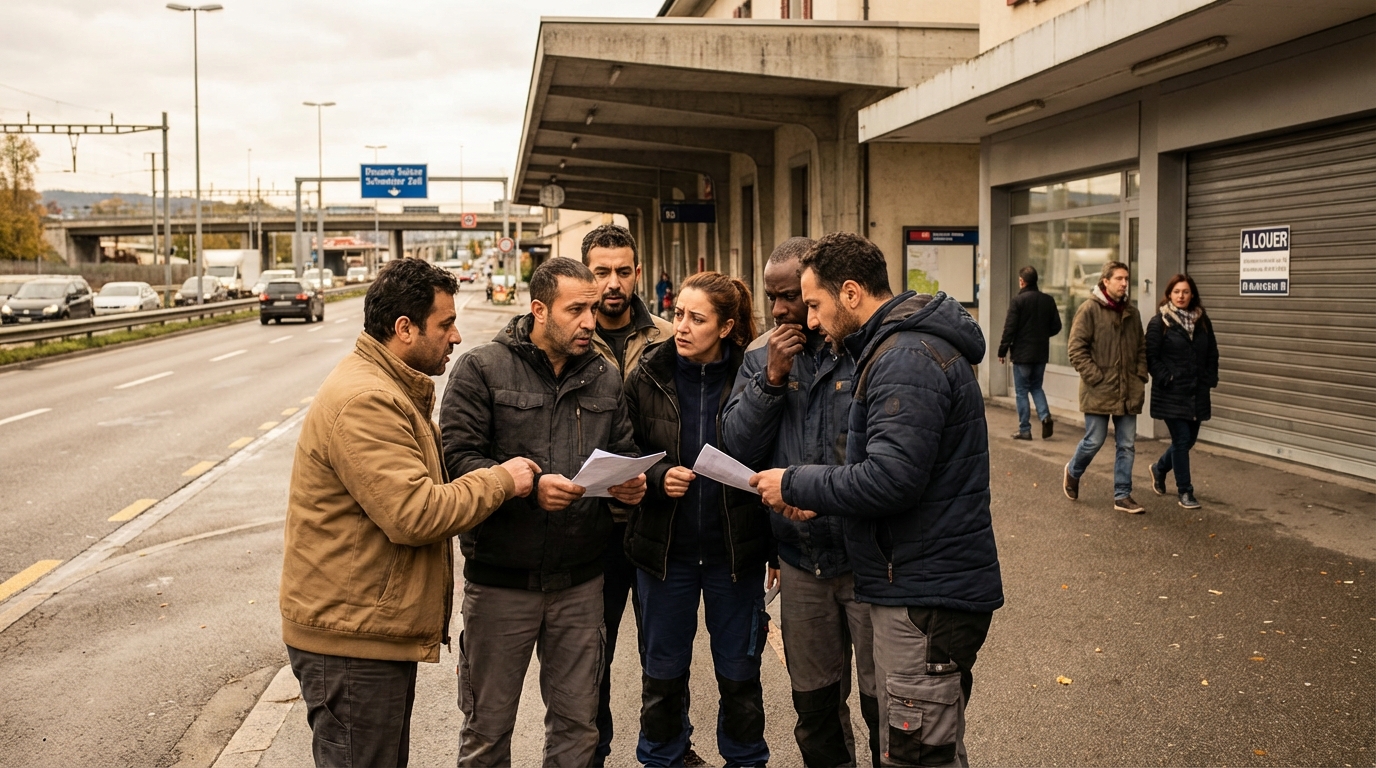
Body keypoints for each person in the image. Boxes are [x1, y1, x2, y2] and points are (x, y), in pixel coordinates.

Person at [751, 232, 1003, 768]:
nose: (810, 321)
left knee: (917, 755)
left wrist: (795, 483)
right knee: (915, 747)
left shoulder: (904, 357)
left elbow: (891, 479)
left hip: (922, 594)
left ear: (849, 293)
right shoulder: (896, 348)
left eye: (814, 304)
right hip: (915, 585)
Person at [280, 258, 538, 768]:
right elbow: (414, 513)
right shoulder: (367, 400)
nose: (457, 336)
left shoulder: (390, 387)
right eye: (445, 324)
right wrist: (501, 480)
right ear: (404, 329)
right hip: (352, 641)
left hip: (364, 631)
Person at [439, 257, 648, 767]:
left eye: (593, 310)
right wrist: (529, 489)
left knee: (578, 730)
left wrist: (629, 484)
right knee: (487, 730)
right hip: (500, 584)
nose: (589, 322)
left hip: (580, 584)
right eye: (575, 310)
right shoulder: (482, 368)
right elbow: (458, 459)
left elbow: (620, 448)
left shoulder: (603, 377)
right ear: (539, 310)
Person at [721, 237, 880, 768]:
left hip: (867, 560)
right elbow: (738, 448)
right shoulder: (761, 355)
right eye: (774, 297)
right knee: (815, 709)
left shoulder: (863, 349)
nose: (782, 310)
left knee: (888, 707)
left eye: (794, 297)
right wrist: (770, 380)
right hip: (800, 561)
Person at [623, 271, 773, 767]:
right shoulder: (648, 374)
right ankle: (662, 757)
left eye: (697, 318)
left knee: (739, 672)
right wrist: (660, 476)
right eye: (678, 314)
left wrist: (777, 545)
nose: (680, 327)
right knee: (663, 672)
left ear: (727, 327)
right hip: (667, 554)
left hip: (737, 552)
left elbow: (775, 453)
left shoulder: (752, 377)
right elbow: (626, 449)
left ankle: (746, 758)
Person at [578, 223, 674, 766]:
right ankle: (593, 752)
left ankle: (667, 748)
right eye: (600, 272)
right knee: (594, 654)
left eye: (622, 271)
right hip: (593, 529)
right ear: (586, 273)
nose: (612, 283)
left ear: (637, 272)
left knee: (663, 651)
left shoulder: (666, 335)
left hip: (658, 521)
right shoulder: (568, 334)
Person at [1063, 260, 1149, 514]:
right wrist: (1096, 377)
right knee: (1094, 440)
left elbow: (1141, 348)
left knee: (1127, 444)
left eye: (1127, 279)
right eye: (1120, 279)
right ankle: (1073, 471)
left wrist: (1140, 375)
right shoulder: (1089, 310)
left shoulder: (1132, 314)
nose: (1125, 284)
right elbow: (1076, 349)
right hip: (1098, 389)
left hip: (1128, 390)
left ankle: (1122, 495)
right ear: (1106, 282)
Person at [1146, 274, 1219, 510]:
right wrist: (1167, 377)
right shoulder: (1160, 323)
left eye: (1185, 292)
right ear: (1169, 294)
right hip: (1171, 392)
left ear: (1192, 295)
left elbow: (1212, 353)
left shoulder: (1202, 321)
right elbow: (1151, 357)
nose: (1181, 296)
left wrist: (1208, 379)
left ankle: (1159, 468)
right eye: (1176, 292)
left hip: (1196, 392)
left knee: (1188, 441)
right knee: (1181, 440)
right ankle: (1185, 491)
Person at [997, 265, 1062, 440]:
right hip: (1040, 353)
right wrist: (1041, 335)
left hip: (1022, 354)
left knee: (1021, 391)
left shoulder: (1018, 301)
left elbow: (1009, 328)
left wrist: (1002, 350)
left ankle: (1025, 429)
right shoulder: (1048, 300)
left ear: (1022, 281)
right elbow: (1057, 326)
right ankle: (1045, 416)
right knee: (1036, 386)